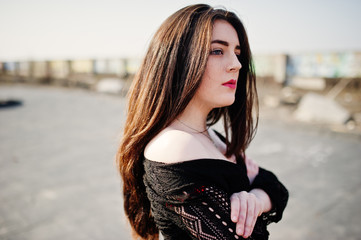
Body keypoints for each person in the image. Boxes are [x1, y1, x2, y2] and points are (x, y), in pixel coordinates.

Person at [117, 4, 288, 240]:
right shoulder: (176, 148)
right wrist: (258, 191)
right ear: (178, 60)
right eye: (218, 51)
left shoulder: (210, 135)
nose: (236, 64)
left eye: (237, 53)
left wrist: (256, 200)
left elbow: (274, 185)